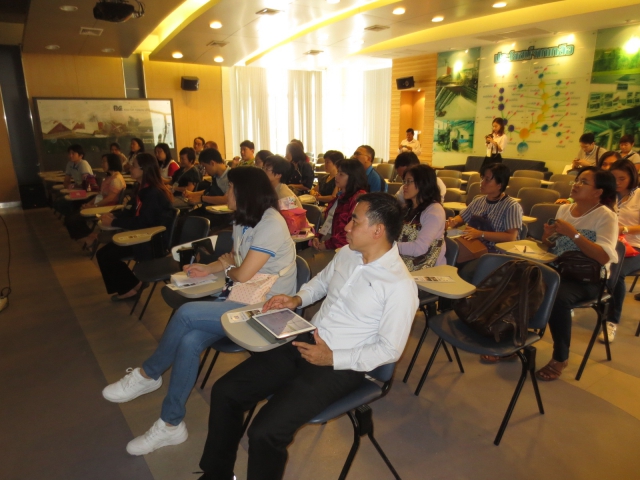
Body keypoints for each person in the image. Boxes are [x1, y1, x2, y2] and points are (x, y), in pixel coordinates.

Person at [196, 192, 419, 480]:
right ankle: (217, 474)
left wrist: (332, 358)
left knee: (265, 431)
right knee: (226, 391)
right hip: (306, 340)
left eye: (355, 221)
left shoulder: (399, 285)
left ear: (378, 230)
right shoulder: (348, 254)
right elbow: (322, 282)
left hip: (343, 365)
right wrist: (296, 299)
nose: (347, 227)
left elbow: (389, 349)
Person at [101, 167, 297, 456]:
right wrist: (210, 267)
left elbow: (242, 272)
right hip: (245, 297)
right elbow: (235, 262)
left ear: (245, 192)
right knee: (190, 340)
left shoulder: (271, 224)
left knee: (186, 313)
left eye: (231, 187)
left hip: (267, 309)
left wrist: (230, 268)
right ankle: (171, 425)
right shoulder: (244, 220)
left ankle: (148, 374)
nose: (227, 192)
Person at [536, 167, 618, 381]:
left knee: (557, 297)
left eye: (584, 182)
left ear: (598, 192)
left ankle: (560, 357)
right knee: (524, 279)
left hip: (588, 278)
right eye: (577, 180)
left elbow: (603, 257)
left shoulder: (606, 216)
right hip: (560, 269)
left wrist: (574, 234)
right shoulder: (565, 210)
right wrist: (547, 236)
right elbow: (553, 246)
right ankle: (515, 338)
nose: (576, 184)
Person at [96, 153, 174, 301]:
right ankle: (133, 285)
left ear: (144, 169)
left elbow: (142, 222)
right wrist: (114, 216)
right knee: (105, 254)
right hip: (141, 236)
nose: (130, 168)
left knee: (106, 255)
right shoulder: (142, 188)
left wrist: (113, 223)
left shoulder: (153, 193)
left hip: (151, 241)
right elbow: (131, 211)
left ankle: (130, 288)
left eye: (133, 166)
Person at [446, 163, 522, 254]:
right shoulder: (478, 201)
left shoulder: (511, 206)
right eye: (482, 178)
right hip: (472, 246)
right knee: (445, 248)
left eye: (487, 180)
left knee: (451, 255)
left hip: (494, 253)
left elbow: (511, 237)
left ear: (500, 184)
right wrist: (454, 221)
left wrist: (480, 234)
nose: (482, 182)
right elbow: (462, 217)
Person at [607, 159, 640, 342]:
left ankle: (612, 321)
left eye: (622, 179)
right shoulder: (608, 195)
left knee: (617, 272)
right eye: (614, 178)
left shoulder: (639, 195)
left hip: (634, 247)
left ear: (631, 178)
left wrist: (624, 229)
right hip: (610, 243)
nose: (617, 183)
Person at [64, 153, 126, 241]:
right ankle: (89, 236)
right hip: (101, 206)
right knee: (71, 217)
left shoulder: (116, 179)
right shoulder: (109, 177)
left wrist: (94, 206)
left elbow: (110, 199)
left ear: (112, 162)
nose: (102, 164)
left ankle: (90, 237)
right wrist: (88, 204)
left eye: (104, 162)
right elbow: (100, 195)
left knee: (72, 219)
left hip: (108, 209)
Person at [398, 164, 447, 269]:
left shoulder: (434, 211)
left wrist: (388, 247)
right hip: (404, 262)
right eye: (404, 182)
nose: (404, 186)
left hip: (426, 267)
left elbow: (419, 248)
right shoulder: (408, 208)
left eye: (409, 182)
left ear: (423, 183)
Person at [556, 151, 621, 205]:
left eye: (612, 165)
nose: (607, 168)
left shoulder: (620, 186)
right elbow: (583, 192)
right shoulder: (597, 181)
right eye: (604, 164)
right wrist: (569, 200)